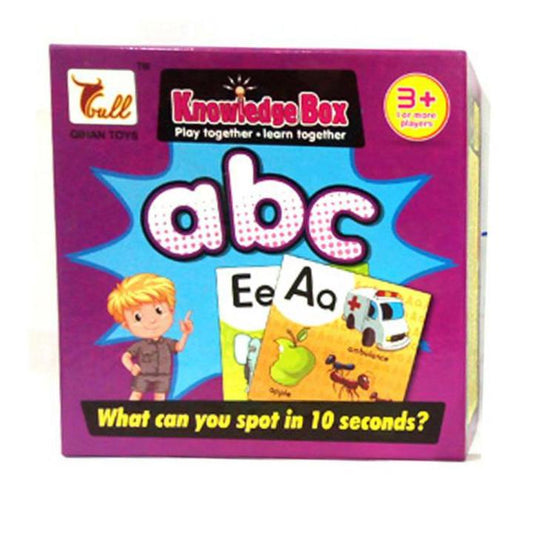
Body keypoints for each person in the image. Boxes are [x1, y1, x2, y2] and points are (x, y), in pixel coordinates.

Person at [107, 273, 193, 400]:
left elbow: (179, 347)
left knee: (160, 397)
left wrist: (185, 333)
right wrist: (131, 367)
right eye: (138, 317)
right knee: (136, 394)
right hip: (143, 375)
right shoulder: (140, 345)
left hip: (163, 376)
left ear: (171, 311)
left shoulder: (167, 343)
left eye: (158, 310)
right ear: (126, 325)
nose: (152, 320)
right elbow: (126, 356)